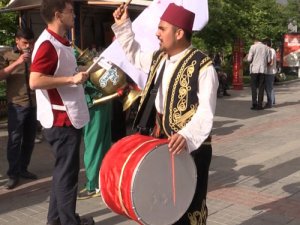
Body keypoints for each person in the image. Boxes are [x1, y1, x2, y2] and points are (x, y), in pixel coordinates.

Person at [112, 3, 219, 225]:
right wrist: (123, 24)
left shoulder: (203, 66)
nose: (157, 34)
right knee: (165, 206)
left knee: (189, 207)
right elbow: (134, 54)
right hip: (163, 142)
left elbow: (206, 112)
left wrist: (187, 136)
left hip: (192, 147)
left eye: (162, 29)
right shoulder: (159, 58)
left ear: (179, 33)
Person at [29, 0, 94, 224]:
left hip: (63, 117)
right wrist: (71, 79)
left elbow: (57, 72)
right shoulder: (48, 44)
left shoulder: (58, 42)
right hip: (61, 119)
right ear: (58, 15)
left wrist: (78, 73)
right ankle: (68, 222)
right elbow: (35, 80)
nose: (73, 15)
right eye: (70, 12)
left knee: (62, 172)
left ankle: (56, 220)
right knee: (67, 175)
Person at [0, 28, 38, 190]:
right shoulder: (8, 55)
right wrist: (18, 62)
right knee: (15, 141)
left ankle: (23, 169)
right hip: (17, 104)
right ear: (17, 41)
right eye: (25, 43)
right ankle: (13, 174)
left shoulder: (36, 54)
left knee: (30, 140)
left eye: (30, 42)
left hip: (34, 103)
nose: (28, 46)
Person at [77, 79, 112, 199]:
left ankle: (94, 185)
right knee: (100, 144)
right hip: (99, 98)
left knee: (96, 145)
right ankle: (101, 182)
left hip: (97, 100)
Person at [247, 38, 270, 110]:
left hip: (254, 69)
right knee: (261, 87)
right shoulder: (266, 48)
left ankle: (254, 104)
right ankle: (260, 105)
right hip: (263, 70)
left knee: (253, 87)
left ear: (255, 41)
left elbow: (249, 59)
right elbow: (268, 60)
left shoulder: (253, 47)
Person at [263, 38, 276, 108]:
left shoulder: (270, 50)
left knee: (269, 88)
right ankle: (272, 100)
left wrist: (264, 65)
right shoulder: (272, 50)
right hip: (271, 72)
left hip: (269, 72)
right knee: (270, 87)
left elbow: (271, 62)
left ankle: (269, 103)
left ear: (266, 45)